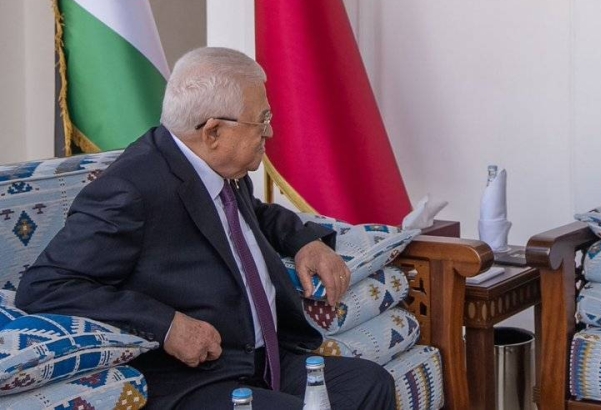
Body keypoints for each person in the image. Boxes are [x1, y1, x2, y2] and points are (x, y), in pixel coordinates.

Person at [16, 47, 396, 409]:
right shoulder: (130, 190)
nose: (270, 133)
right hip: (199, 379)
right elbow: (46, 284)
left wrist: (305, 242)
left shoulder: (219, 167)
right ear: (213, 131)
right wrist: (167, 325)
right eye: (262, 121)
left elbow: (255, 214)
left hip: (264, 360)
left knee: (369, 384)